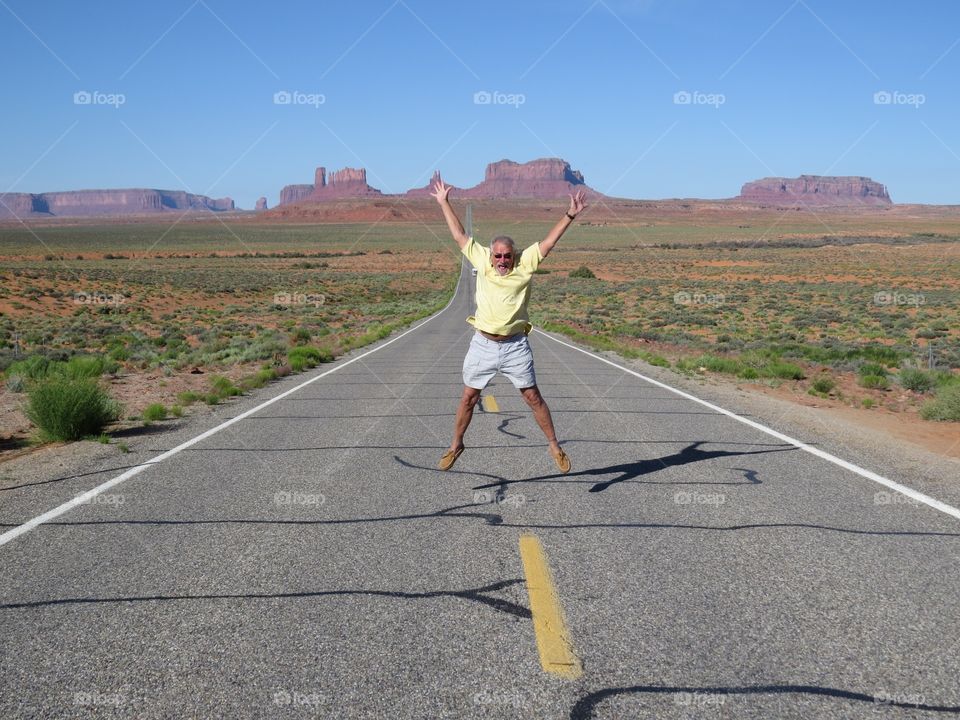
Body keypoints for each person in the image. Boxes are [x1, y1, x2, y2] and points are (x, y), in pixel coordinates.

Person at [431, 174, 586, 472]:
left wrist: (570, 214)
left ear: (514, 255)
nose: (502, 260)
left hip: (515, 345)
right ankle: (455, 445)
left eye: (507, 256)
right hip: (483, 344)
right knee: (468, 397)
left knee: (533, 396)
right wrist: (443, 202)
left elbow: (549, 242)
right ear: (491, 256)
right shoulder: (482, 260)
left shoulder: (526, 263)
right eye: (498, 256)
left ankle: (554, 446)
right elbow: (459, 236)